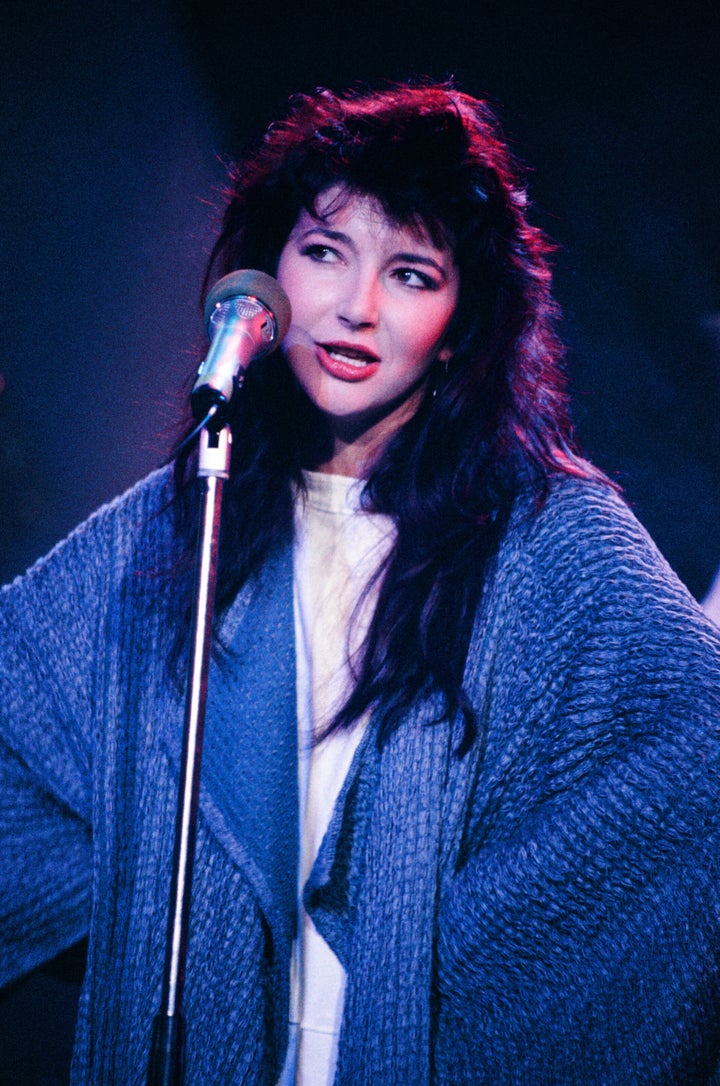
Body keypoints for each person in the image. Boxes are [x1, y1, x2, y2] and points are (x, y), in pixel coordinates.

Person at [2, 81, 720, 1086]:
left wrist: (471, 965)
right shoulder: (187, 519)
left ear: (465, 320)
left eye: (413, 273)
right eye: (327, 252)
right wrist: (136, 898)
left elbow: (699, 760)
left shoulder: (552, 534)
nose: (358, 307)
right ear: (269, 273)